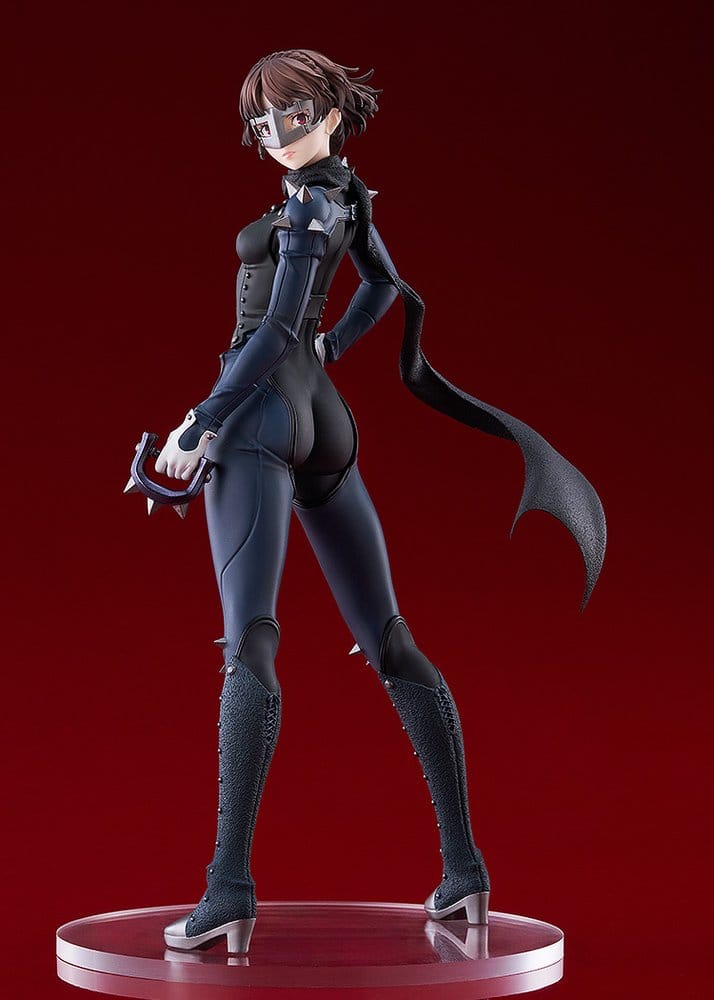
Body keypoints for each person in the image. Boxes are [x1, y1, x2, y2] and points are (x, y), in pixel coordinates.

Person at [158, 48, 605, 955]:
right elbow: (384, 286)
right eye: (260, 123)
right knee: (390, 637)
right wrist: (328, 350)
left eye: (289, 116)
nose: (274, 136)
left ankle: (228, 889)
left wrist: (202, 419)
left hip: (257, 416)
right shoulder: (347, 196)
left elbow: (273, 328)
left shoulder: (308, 207)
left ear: (326, 111)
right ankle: (464, 870)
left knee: (252, 642)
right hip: (324, 418)